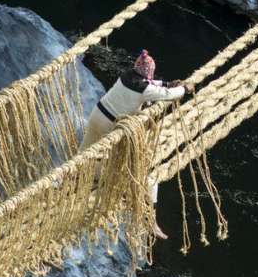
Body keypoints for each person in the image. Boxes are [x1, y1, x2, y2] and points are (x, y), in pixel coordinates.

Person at [80, 49, 192, 239]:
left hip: (97, 115)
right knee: (145, 174)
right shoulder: (144, 89)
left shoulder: (126, 76)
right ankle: (150, 220)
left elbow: (153, 84)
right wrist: (183, 89)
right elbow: (164, 94)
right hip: (113, 127)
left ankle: (75, 183)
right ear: (149, 72)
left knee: (84, 154)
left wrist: (166, 83)